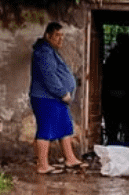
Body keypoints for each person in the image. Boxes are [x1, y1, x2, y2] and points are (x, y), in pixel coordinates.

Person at [29, 22, 86, 174]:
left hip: (55, 98)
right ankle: (42, 165)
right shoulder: (43, 52)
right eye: (57, 36)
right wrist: (62, 92)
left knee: (65, 127)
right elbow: (49, 77)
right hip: (46, 98)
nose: (61, 39)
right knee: (45, 130)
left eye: (62, 36)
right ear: (48, 36)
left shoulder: (50, 51)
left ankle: (70, 159)